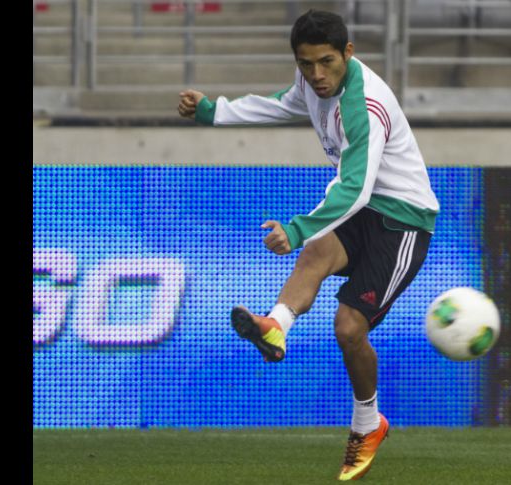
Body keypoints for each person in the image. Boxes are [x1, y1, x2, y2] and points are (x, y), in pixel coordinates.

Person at [178, 9, 439, 481]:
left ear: (348, 53)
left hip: (403, 220)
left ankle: (368, 424)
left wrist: (297, 228)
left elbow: (355, 188)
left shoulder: (365, 106)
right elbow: (280, 105)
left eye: (326, 62)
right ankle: (275, 326)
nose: (316, 75)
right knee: (317, 252)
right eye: (305, 64)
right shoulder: (310, 82)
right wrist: (214, 111)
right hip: (364, 209)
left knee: (348, 328)